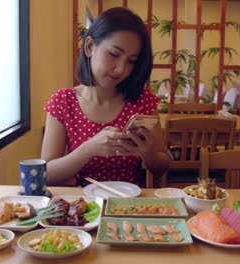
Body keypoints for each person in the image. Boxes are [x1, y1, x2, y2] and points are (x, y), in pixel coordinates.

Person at [41, 7, 170, 187]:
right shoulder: (63, 101)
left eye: (131, 61)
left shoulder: (143, 101)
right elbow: (45, 174)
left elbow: (161, 167)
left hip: (131, 206)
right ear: (89, 47)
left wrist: (146, 151)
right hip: (84, 207)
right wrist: (89, 149)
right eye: (114, 54)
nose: (121, 69)